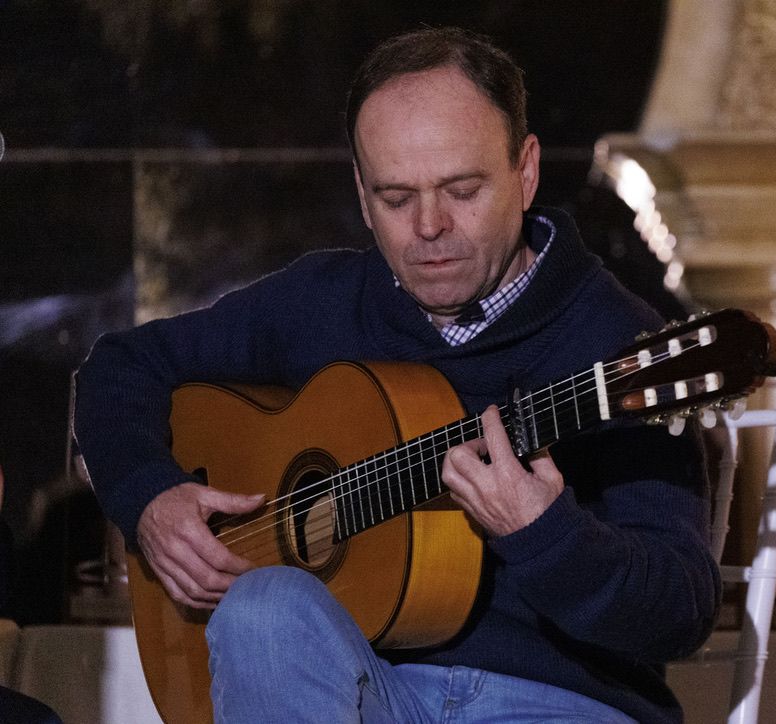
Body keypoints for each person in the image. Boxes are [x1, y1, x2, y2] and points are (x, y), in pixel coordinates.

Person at [75, 27, 721, 723]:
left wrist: (547, 534)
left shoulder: (616, 346)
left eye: (462, 190)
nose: (430, 226)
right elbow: (120, 368)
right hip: (369, 695)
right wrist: (149, 498)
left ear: (525, 171)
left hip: (558, 704)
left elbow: (680, 610)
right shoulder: (323, 301)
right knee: (261, 607)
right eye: (395, 197)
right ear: (361, 193)